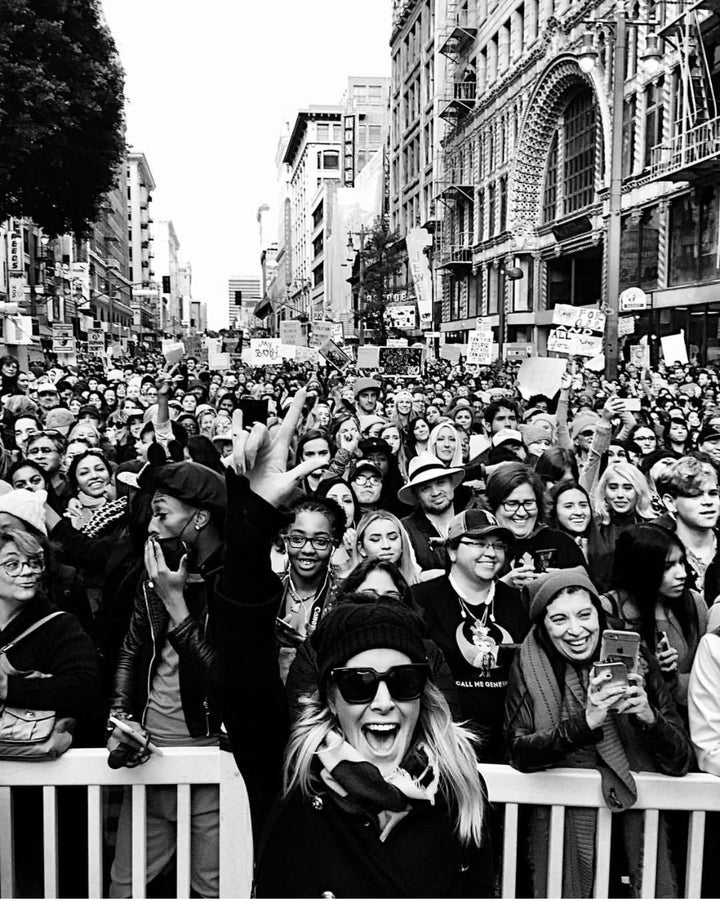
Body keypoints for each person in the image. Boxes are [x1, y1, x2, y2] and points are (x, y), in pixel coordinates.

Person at [215, 389, 495, 897]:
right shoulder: (293, 776)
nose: (384, 701)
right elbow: (240, 662)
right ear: (330, 694)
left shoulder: (461, 794)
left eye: (403, 681)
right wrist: (253, 516)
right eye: (360, 683)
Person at [505, 568, 692, 898]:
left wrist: (648, 717)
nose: (575, 630)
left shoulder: (639, 662)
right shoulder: (529, 661)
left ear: (598, 613)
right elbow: (519, 751)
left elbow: (680, 760)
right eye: (559, 619)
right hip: (561, 837)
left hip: (632, 834)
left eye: (584, 614)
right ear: (543, 626)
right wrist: (586, 723)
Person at [107, 461, 227, 899]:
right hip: (149, 752)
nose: (152, 525)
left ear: (199, 519)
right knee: (125, 886)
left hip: (210, 756)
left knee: (214, 888)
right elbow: (131, 651)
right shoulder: (153, 574)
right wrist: (121, 718)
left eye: (162, 513)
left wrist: (176, 602)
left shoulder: (231, 584)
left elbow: (223, 679)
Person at [412, 508, 529, 760]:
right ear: (452, 551)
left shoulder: (520, 602)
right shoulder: (420, 600)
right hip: (442, 744)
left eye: (498, 546)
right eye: (478, 543)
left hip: (507, 745)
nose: (490, 553)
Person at [603, 524, 708, 718]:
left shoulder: (693, 603)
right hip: (636, 725)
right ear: (641, 568)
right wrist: (651, 671)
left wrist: (672, 677)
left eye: (681, 562)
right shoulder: (609, 609)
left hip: (691, 720)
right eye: (668, 566)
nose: (682, 574)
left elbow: (708, 677)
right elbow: (611, 688)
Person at [275, 495, 344, 682]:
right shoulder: (267, 590)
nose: (307, 549)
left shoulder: (345, 596)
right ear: (285, 540)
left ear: (334, 544)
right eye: (297, 539)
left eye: (320, 541)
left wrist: (311, 646)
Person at [486, 463, 586, 590]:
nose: (522, 513)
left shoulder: (560, 542)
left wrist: (563, 579)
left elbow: (588, 585)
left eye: (528, 503)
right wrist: (503, 585)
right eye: (511, 504)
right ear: (493, 506)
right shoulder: (483, 548)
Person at [399, 454, 466, 573]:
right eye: (425, 488)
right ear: (416, 495)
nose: (435, 493)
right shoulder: (405, 529)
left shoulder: (472, 519)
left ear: (451, 483)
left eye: (440, 483)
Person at [352, 510, 422, 586]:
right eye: (375, 539)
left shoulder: (420, 583)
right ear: (361, 548)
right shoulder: (351, 589)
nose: (386, 546)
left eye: (393, 538)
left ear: (402, 543)